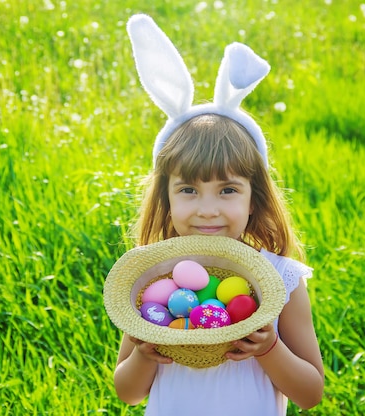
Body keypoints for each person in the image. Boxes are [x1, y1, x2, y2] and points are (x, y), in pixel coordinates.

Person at [112, 14, 324, 415]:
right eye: (189, 190)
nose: (207, 210)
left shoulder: (280, 279)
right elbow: (128, 392)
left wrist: (270, 349)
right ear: (166, 197)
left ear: (254, 198)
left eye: (227, 190)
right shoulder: (153, 277)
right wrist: (143, 352)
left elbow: (310, 393)